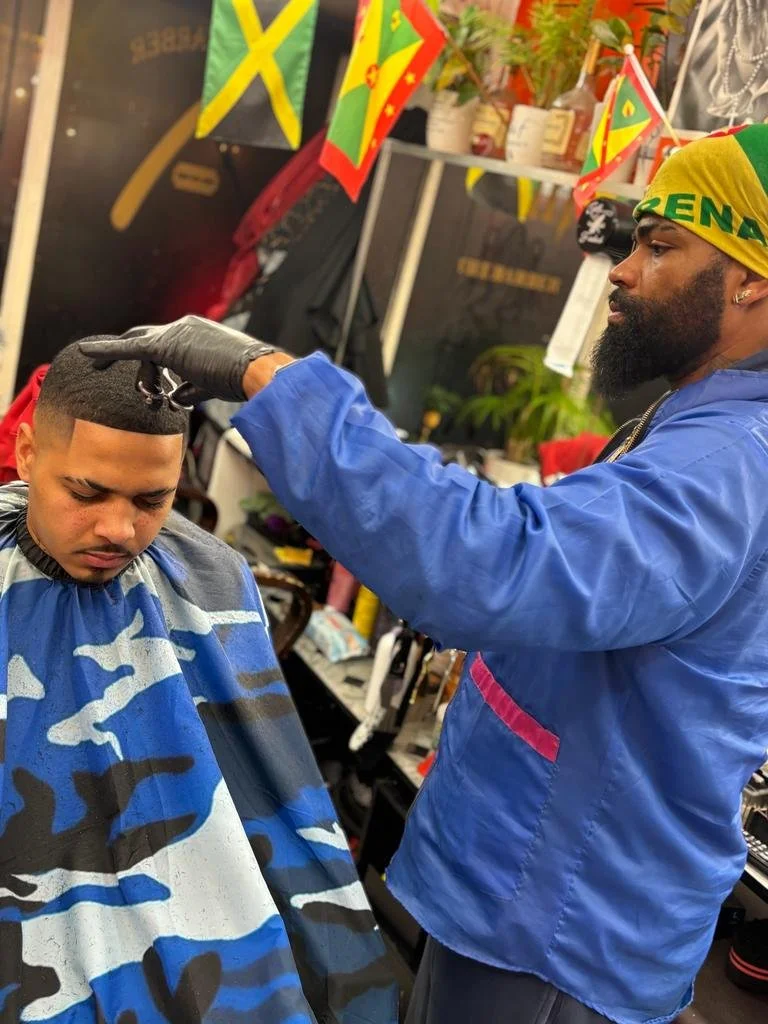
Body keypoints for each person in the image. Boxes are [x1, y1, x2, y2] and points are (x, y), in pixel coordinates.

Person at [81, 125, 768, 1024]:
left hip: (559, 928)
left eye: (660, 245)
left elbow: (497, 564)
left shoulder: (729, 463)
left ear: (753, 277)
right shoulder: (701, 423)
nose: (623, 268)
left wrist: (265, 376)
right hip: (526, 892)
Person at [0, 344, 397, 1023]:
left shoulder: (210, 577)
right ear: (29, 452)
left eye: (152, 500)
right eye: (87, 493)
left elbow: (270, 787)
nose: (119, 529)